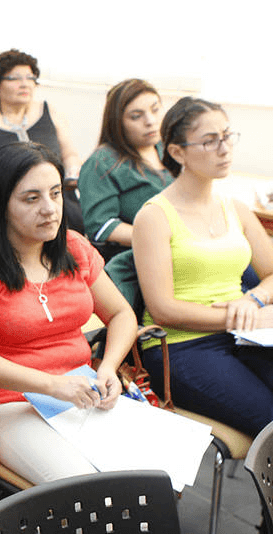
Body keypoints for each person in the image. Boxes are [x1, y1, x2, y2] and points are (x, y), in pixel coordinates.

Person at [0, 141, 136, 484]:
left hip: (80, 395)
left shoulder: (74, 247)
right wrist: (52, 385)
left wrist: (108, 367)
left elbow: (121, 314)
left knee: (147, 473)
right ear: (1, 205)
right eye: (31, 199)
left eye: (56, 194)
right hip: (7, 403)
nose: (50, 209)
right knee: (90, 488)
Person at [132, 97, 273, 437]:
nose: (224, 149)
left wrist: (252, 300)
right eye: (210, 141)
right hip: (182, 346)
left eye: (227, 136)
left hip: (245, 336)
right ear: (177, 152)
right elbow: (163, 309)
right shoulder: (153, 216)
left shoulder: (235, 208)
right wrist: (243, 317)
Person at [0, 49, 80, 202]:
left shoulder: (50, 111)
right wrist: (11, 191)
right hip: (2, 203)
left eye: (30, 78)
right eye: (14, 78)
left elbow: (70, 155)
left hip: (54, 199)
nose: (24, 84)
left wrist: (72, 173)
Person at [78, 79, 171, 260]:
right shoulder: (102, 163)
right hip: (138, 258)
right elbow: (101, 227)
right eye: (136, 116)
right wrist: (161, 238)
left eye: (155, 109)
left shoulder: (171, 150)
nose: (150, 121)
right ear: (117, 122)